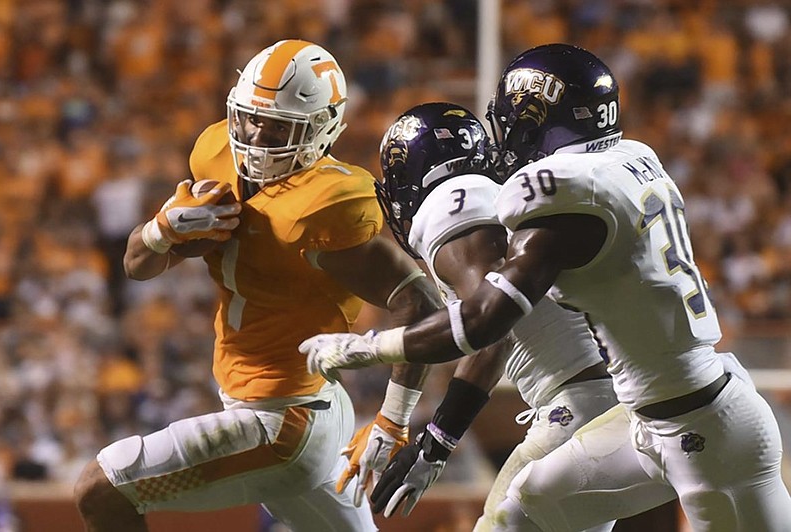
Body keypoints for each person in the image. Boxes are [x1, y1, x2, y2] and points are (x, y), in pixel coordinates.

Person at [300, 43, 791, 531]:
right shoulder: (633, 156)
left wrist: (366, 348)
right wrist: (435, 441)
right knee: (525, 506)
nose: (507, 141)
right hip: (651, 419)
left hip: (700, 427)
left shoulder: (553, 190)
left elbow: (487, 320)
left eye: (514, 123)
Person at [73, 39, 442, 532]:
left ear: (321, 130)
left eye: (276, 126)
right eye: (249, 118)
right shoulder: (216, 154)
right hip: (299, 403)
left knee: (100, 488)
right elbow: (136, 265)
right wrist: (162, 230)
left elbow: (421, 303)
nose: (255, 136)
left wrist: (395, 417)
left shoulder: (327, 205)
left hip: (284, 422)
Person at [360, 101, 617, 532]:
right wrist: (435, 439)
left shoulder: (450, 208)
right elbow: (498, 328)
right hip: (610, 399)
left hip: (579, 406)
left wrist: (436, 442)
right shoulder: (502, 195)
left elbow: (491, 328)